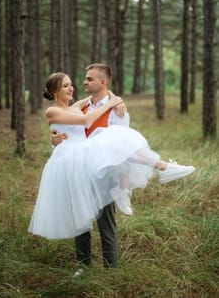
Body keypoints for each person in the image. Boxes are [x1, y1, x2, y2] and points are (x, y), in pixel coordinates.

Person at [28, 64, 195, 272]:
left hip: (99, 168)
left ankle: (111, 269)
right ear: (54, 91)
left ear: (103, 83)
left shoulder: (88, 106)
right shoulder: (62, 109)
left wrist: (117, 99)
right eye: (66, 86)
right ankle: (83, 266)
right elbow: (82, 121)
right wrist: (53, 140)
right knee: (81, 220)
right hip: (73, 166)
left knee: (106, 220)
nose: (75, 87)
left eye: (75, 83)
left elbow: (122, 145)